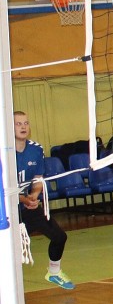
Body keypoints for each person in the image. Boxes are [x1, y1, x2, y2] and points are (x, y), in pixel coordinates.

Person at [13, 111, 74, 290]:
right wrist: (24, 199)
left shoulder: (36, 149)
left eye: (26, 123)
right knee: (11, 250)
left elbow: (38, 178)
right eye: (18, 124)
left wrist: (34, 195)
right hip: (7, 208)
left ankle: (54, 272)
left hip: (27, 206)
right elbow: (5, 189)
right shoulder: (4, 152)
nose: (23, 127)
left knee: (59, 237)